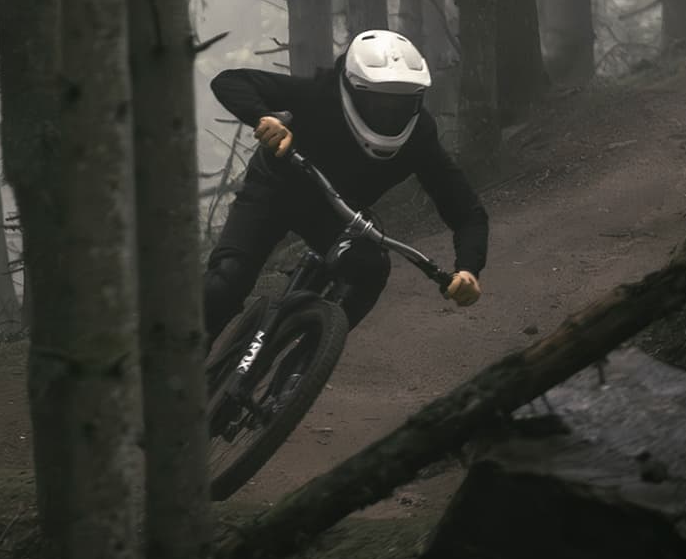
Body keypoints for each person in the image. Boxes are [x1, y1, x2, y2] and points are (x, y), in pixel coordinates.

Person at [204, 29, 487, 347]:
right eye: (378, 102)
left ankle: (303, 363)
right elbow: (230, 81)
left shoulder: (419, 136)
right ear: (350, 89)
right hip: (272, 190)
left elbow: (467, 212)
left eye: (401, 104)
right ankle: (181, 367)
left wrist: (468, 269)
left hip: (334, 212)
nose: (390, 113)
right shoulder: (319, 95)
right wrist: (263, 117)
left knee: (371, 269)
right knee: (225, 283)